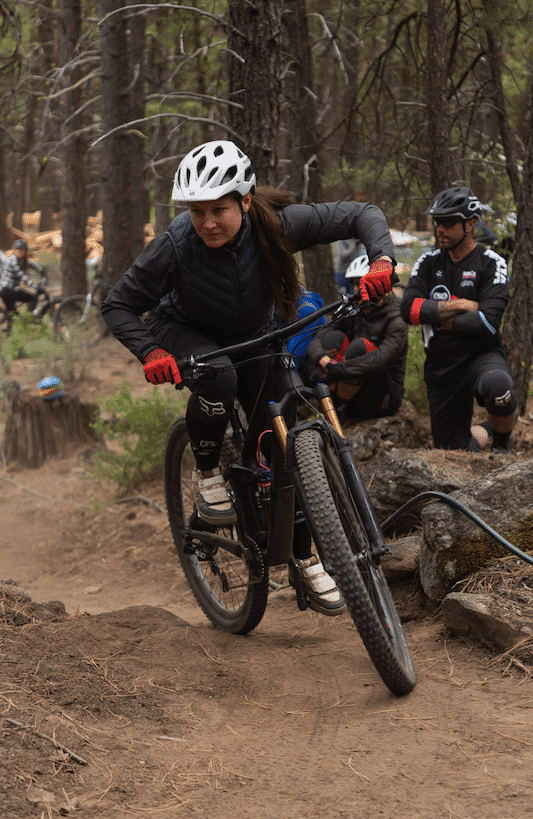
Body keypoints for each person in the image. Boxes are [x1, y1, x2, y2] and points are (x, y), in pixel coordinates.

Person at [101, 139, 396, 615]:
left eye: (219, 209)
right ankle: (208, 470)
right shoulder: (177, 244)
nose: (207, 223)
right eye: (197, 212)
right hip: (186, 330)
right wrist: (151, 351)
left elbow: (363, 213)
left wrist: (381, 259)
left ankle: (304, 557)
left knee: (280, 442)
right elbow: (118, 305)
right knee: (217, 376)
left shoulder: (278, 225)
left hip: (256, 335)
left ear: (245, 200)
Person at [399, 186, 517, 453]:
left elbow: (487, 322)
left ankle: (501, 447)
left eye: (449, 222)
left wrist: (436, 313)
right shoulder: (428, 262)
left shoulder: (491, 262)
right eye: (437, 222)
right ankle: (485, 430)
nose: (440, 228)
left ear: (471, 224)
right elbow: (408, 311)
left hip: (480, 356)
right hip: (441, 366)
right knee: (455, 452)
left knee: (498, 387)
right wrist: (462, 305)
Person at [307, 254, 408, 423]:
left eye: (370, 284)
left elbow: (382, 359)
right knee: (333, 339)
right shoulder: (353, 310)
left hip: (383, 396)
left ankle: (339, 406)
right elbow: (318, 339)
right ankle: (335, 404)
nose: (364, 290)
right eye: (358, 283)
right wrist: (325, 361)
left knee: (360, 347)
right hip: (351, 387)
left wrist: (339, 370)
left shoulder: (396, 317)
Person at [0, 239, 40, 323]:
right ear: (14, 250)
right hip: (8, 290)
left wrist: (41, 270)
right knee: (33, 298)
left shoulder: (21, 261)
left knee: (12, 314)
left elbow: (31, 264)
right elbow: (22, 276)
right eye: (18, 249)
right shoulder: (14, 261)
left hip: (6, 290)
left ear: (25, 251)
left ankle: (10, 333)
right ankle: (28, 319)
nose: (20, 251)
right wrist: (34, 286)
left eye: (22, 250)